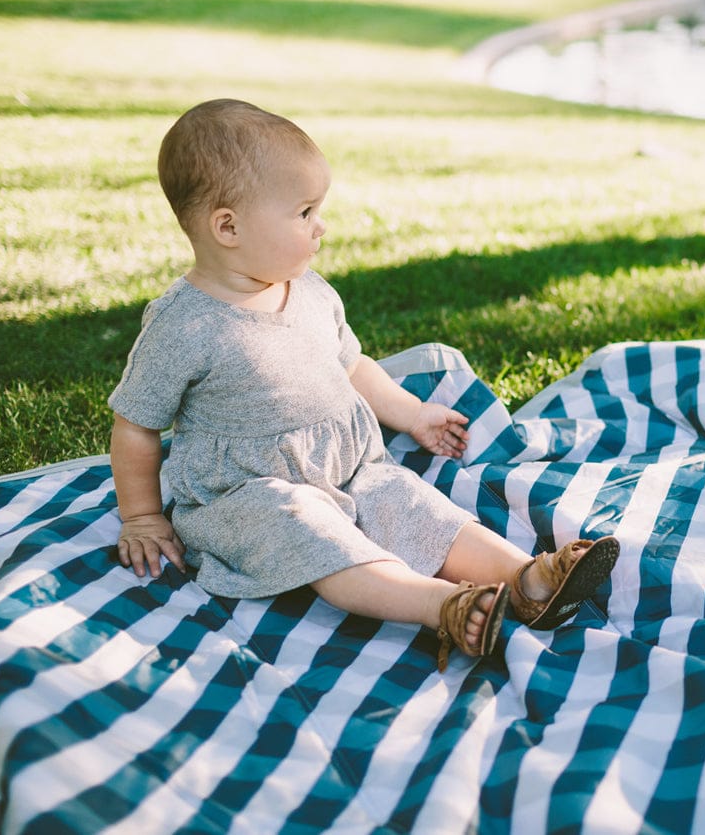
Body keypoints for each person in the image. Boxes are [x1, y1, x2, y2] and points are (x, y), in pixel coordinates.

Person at [108, 98, 618, 671]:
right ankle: (443, 605)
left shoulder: (310, 290)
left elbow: (353, 366)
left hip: (348, 466)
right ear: (228, 226)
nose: (319, 226)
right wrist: (143, 517)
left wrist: (413, 414)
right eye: (303, 213)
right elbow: (135, 425)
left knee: (415, 505)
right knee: (314, 532)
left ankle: (525, 578)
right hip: (248, 494)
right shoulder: (185, 324)